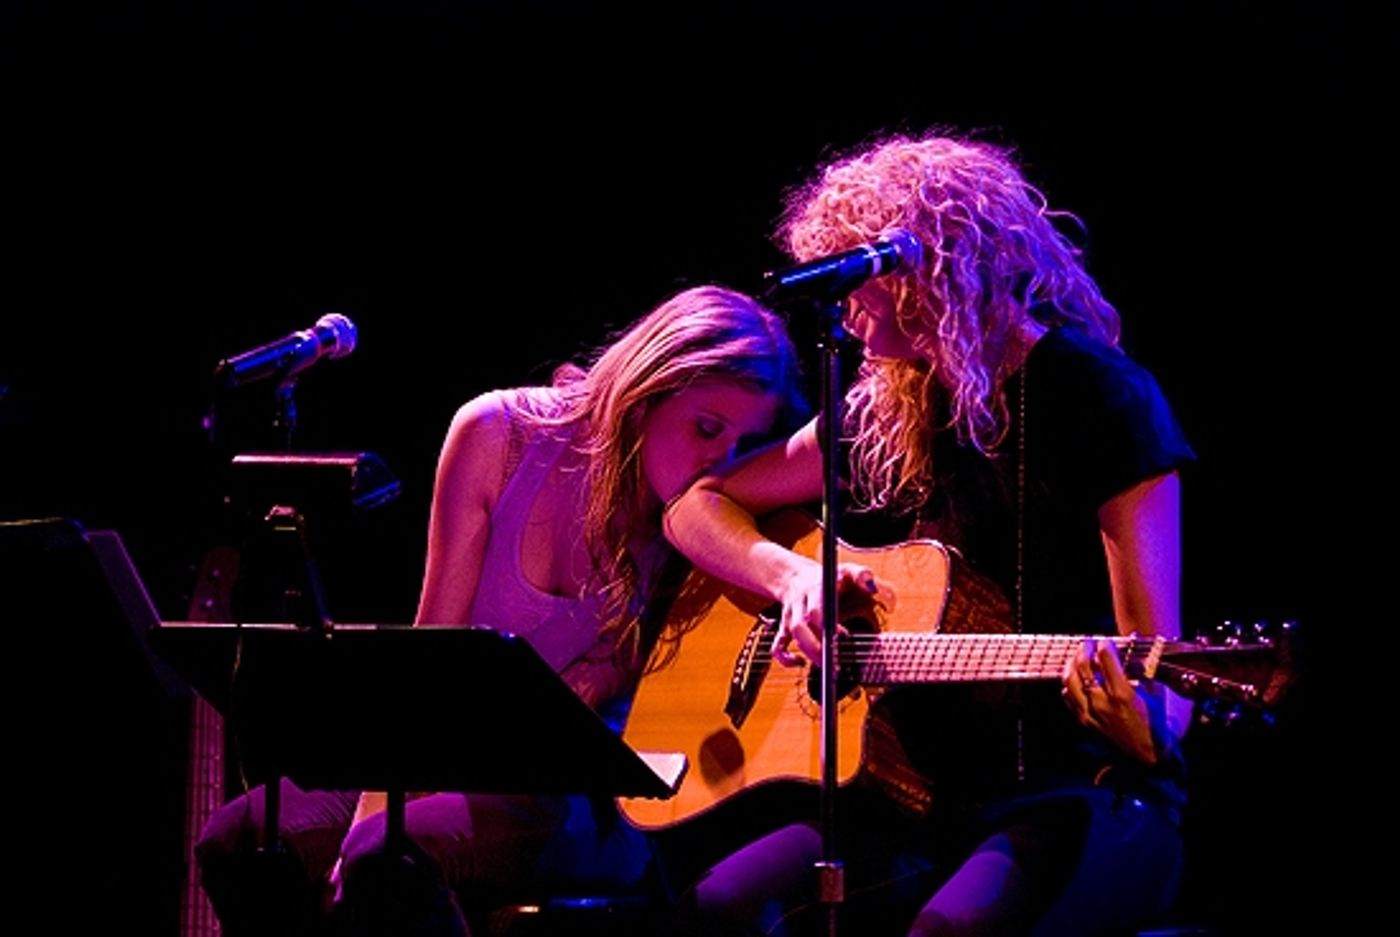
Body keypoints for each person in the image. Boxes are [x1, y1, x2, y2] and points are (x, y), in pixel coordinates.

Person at [662, 130, 1196, 936]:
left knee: (949, 929)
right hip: (912, 790)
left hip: (1077, 790)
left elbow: (1163, 668)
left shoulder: (1103, 401)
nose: (844, 307)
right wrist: (793, 577)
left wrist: (1143, 722)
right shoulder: (888, 400)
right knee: (716, 904)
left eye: (861, 278)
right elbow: (694, 505)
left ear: (930, 275)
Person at [194, 284, 810, 936]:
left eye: (742, 446)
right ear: (646, 389)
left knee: (387, 854)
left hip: (582, 798)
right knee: (240, 835)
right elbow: (426, 661)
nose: (719, 460)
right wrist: (376, 807)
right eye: (707, 428)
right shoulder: (499, 434)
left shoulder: (704, 521)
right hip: (445, 755)